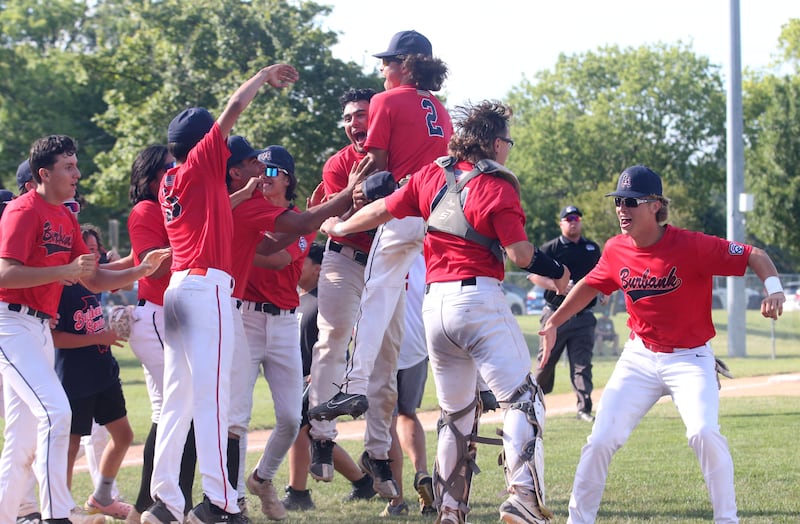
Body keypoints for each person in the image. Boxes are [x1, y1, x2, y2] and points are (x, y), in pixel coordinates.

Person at [320, 100, 568, 524]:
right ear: (493, 142)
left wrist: (338, 226)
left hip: (435, 308)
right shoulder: (497, 184)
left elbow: (382, 210)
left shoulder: (430, 174)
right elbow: (521, 254)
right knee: (524, 401)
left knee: (455, 416)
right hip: (479, 302)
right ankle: (523, 498)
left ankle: (451, 511)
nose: (508, 148)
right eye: (506, 141)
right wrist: (559, 272)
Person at [538, 165, 786, 524]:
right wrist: (554, 322)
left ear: (655, 205)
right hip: (639, 357)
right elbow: (591, 285)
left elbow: (755, 254)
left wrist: (775, 291)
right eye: (618, 202)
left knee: (703, 432)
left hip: (690, 358)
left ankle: (727, 519)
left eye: (630, 202)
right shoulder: (615, 248)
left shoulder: (693, 245)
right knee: (601, 439)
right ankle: (579, 521)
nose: (621, 209)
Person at [143, 63, 299, 524]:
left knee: (178, 401)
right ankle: (220, 501)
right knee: (213, 396)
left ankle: (165, 501)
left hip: (176, 291)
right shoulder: (200, 161)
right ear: (201, 141)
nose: (221, 134)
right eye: (212, 133)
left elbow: (214, 209)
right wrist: (265, 75)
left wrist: (244, 190)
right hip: (205, 288)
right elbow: (234, 107)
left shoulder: (173, 178)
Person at [308, 30, 452, 500]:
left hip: (402, 216)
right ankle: (329, 440)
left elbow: (383, 169)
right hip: (431, 216)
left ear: (407, 65)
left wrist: (351, 197)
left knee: (374, 306)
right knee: (368, 309)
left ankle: (352, 395)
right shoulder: (441, 109)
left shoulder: (392, 101)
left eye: (391, 61)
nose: (384, 69)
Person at [0, 134, 169, 524]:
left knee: (23, 439)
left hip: (38, 327)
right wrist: (64, 271)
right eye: (69, 167)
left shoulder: (64, 215)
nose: (77, 173)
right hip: (11, 323)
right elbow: (6, 272)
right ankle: (57, 514)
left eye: (76, 165)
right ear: (44, 174)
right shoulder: (23, 210)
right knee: (56, 412)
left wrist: (141, 270)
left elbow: (92, 280)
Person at [301, 87, 378, 486]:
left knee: (386, 355)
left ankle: (378, 452)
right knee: (331, 340)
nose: (353, 124)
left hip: (387, 264)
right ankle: (322, 436)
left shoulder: (398, 156)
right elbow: (331, 221)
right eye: (348, 117)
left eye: (361, 114)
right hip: (344, 259)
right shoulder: (339, 163)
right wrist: (350, 192)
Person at [126, 145, 197, 524]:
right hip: (155, 315)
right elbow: (152, 269)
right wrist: (190, 240)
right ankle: (172, 504)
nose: (174, 173)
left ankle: (146, 506)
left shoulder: (167, 208)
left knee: (169, 413)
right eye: (168, 169)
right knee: (181, 411)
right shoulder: (146, 211)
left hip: (166, 314)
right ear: (151, 176)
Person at [282, 242, 379, 511]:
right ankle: (362, 483)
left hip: (317, 381)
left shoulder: (326, 300)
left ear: (317, 268)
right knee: (309, 432)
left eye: (302, 261)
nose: (296, 265)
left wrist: (318, 377)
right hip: (298, 378)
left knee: (301, 430)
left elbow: (337, 343)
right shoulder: (299, 299)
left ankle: (297, 492)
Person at [52, 225, 133, 519]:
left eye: (96, 249)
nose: (94, 253)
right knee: (71, 447)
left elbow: (124, 274)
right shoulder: (62, 287)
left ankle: (102, 497)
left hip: (103, 372)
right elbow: (56, 338)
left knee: (123, 436)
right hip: (75, 378)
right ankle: (62, 508)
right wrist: (99, 338)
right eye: (87, 249)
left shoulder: (96, 282)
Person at [529, 205, 602, 422]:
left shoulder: (591, 248)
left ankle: (584, 409)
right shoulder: (551, 247)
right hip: (554, 315)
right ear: (560, 223)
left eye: (577, 218)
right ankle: (532, 405)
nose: (573, 221)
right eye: (568, 218)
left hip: (584, 316)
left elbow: (601, 273)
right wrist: (556, 285)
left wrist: (603, 291)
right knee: (545, 363)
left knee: (582, 364)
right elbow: (533, 276)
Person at [384, 253, 435, 517]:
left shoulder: (379, 243)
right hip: (417, 342)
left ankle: (397, 501)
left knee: (387, 422)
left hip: (384, 343)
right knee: (408, 413)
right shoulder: (423, 250)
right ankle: (422, 472)